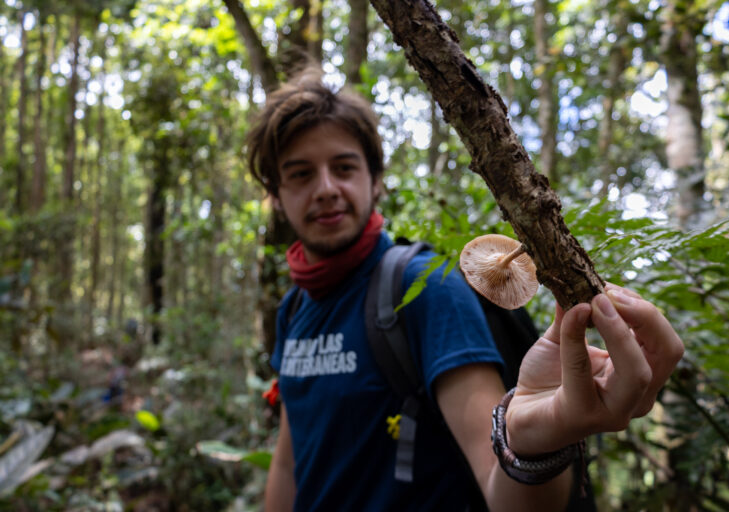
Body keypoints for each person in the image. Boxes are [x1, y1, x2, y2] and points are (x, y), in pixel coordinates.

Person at [247, 67, 685, 511]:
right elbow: (288, 464)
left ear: (375, 180)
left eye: (343, 167)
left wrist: (536, 444)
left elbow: (502, 490)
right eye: (300, 174)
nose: (325, 189)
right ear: (277, 195)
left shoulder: (426, 291)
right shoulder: (294, 308)